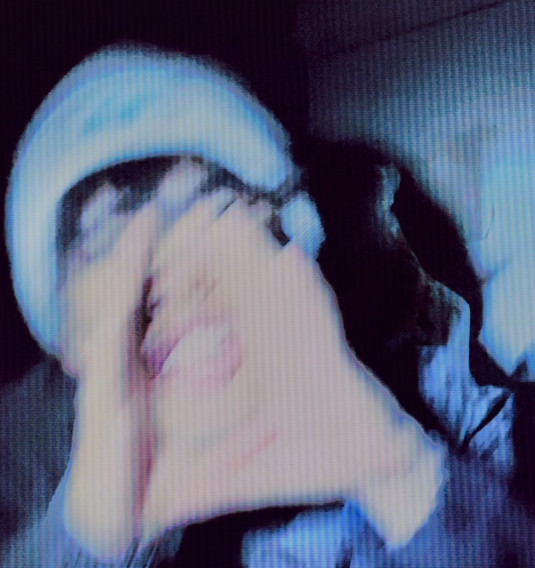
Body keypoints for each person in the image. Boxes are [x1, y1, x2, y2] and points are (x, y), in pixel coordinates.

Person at [2, 45, 534, 567]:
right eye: (104, 245)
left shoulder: (498, 438)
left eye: (212, 208)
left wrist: (411, 487)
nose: (174, 281)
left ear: (294, 247)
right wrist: (84, 552)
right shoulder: (18, 478)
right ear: (69, 345)